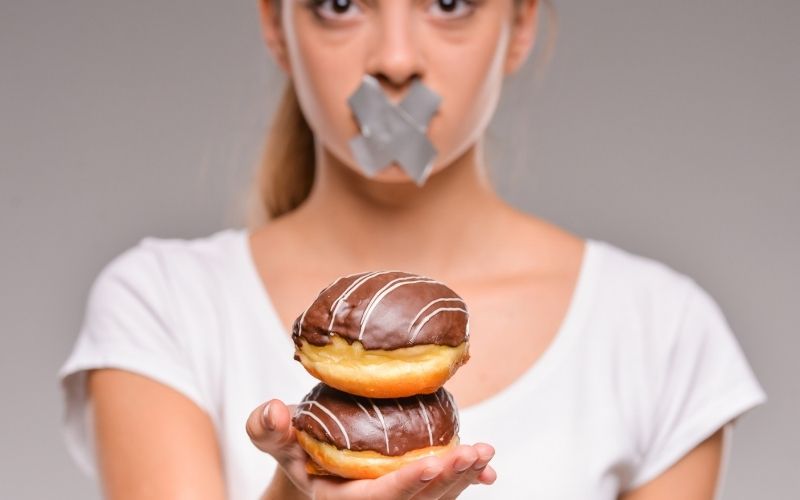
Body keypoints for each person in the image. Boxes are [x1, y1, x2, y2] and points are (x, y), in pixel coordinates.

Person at [58, 0, 767, 499]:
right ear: (276, 26)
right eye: (340, 3)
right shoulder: (162, 304)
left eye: (449, 2)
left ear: (519, 25)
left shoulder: (660, 330)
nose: (395, 62)